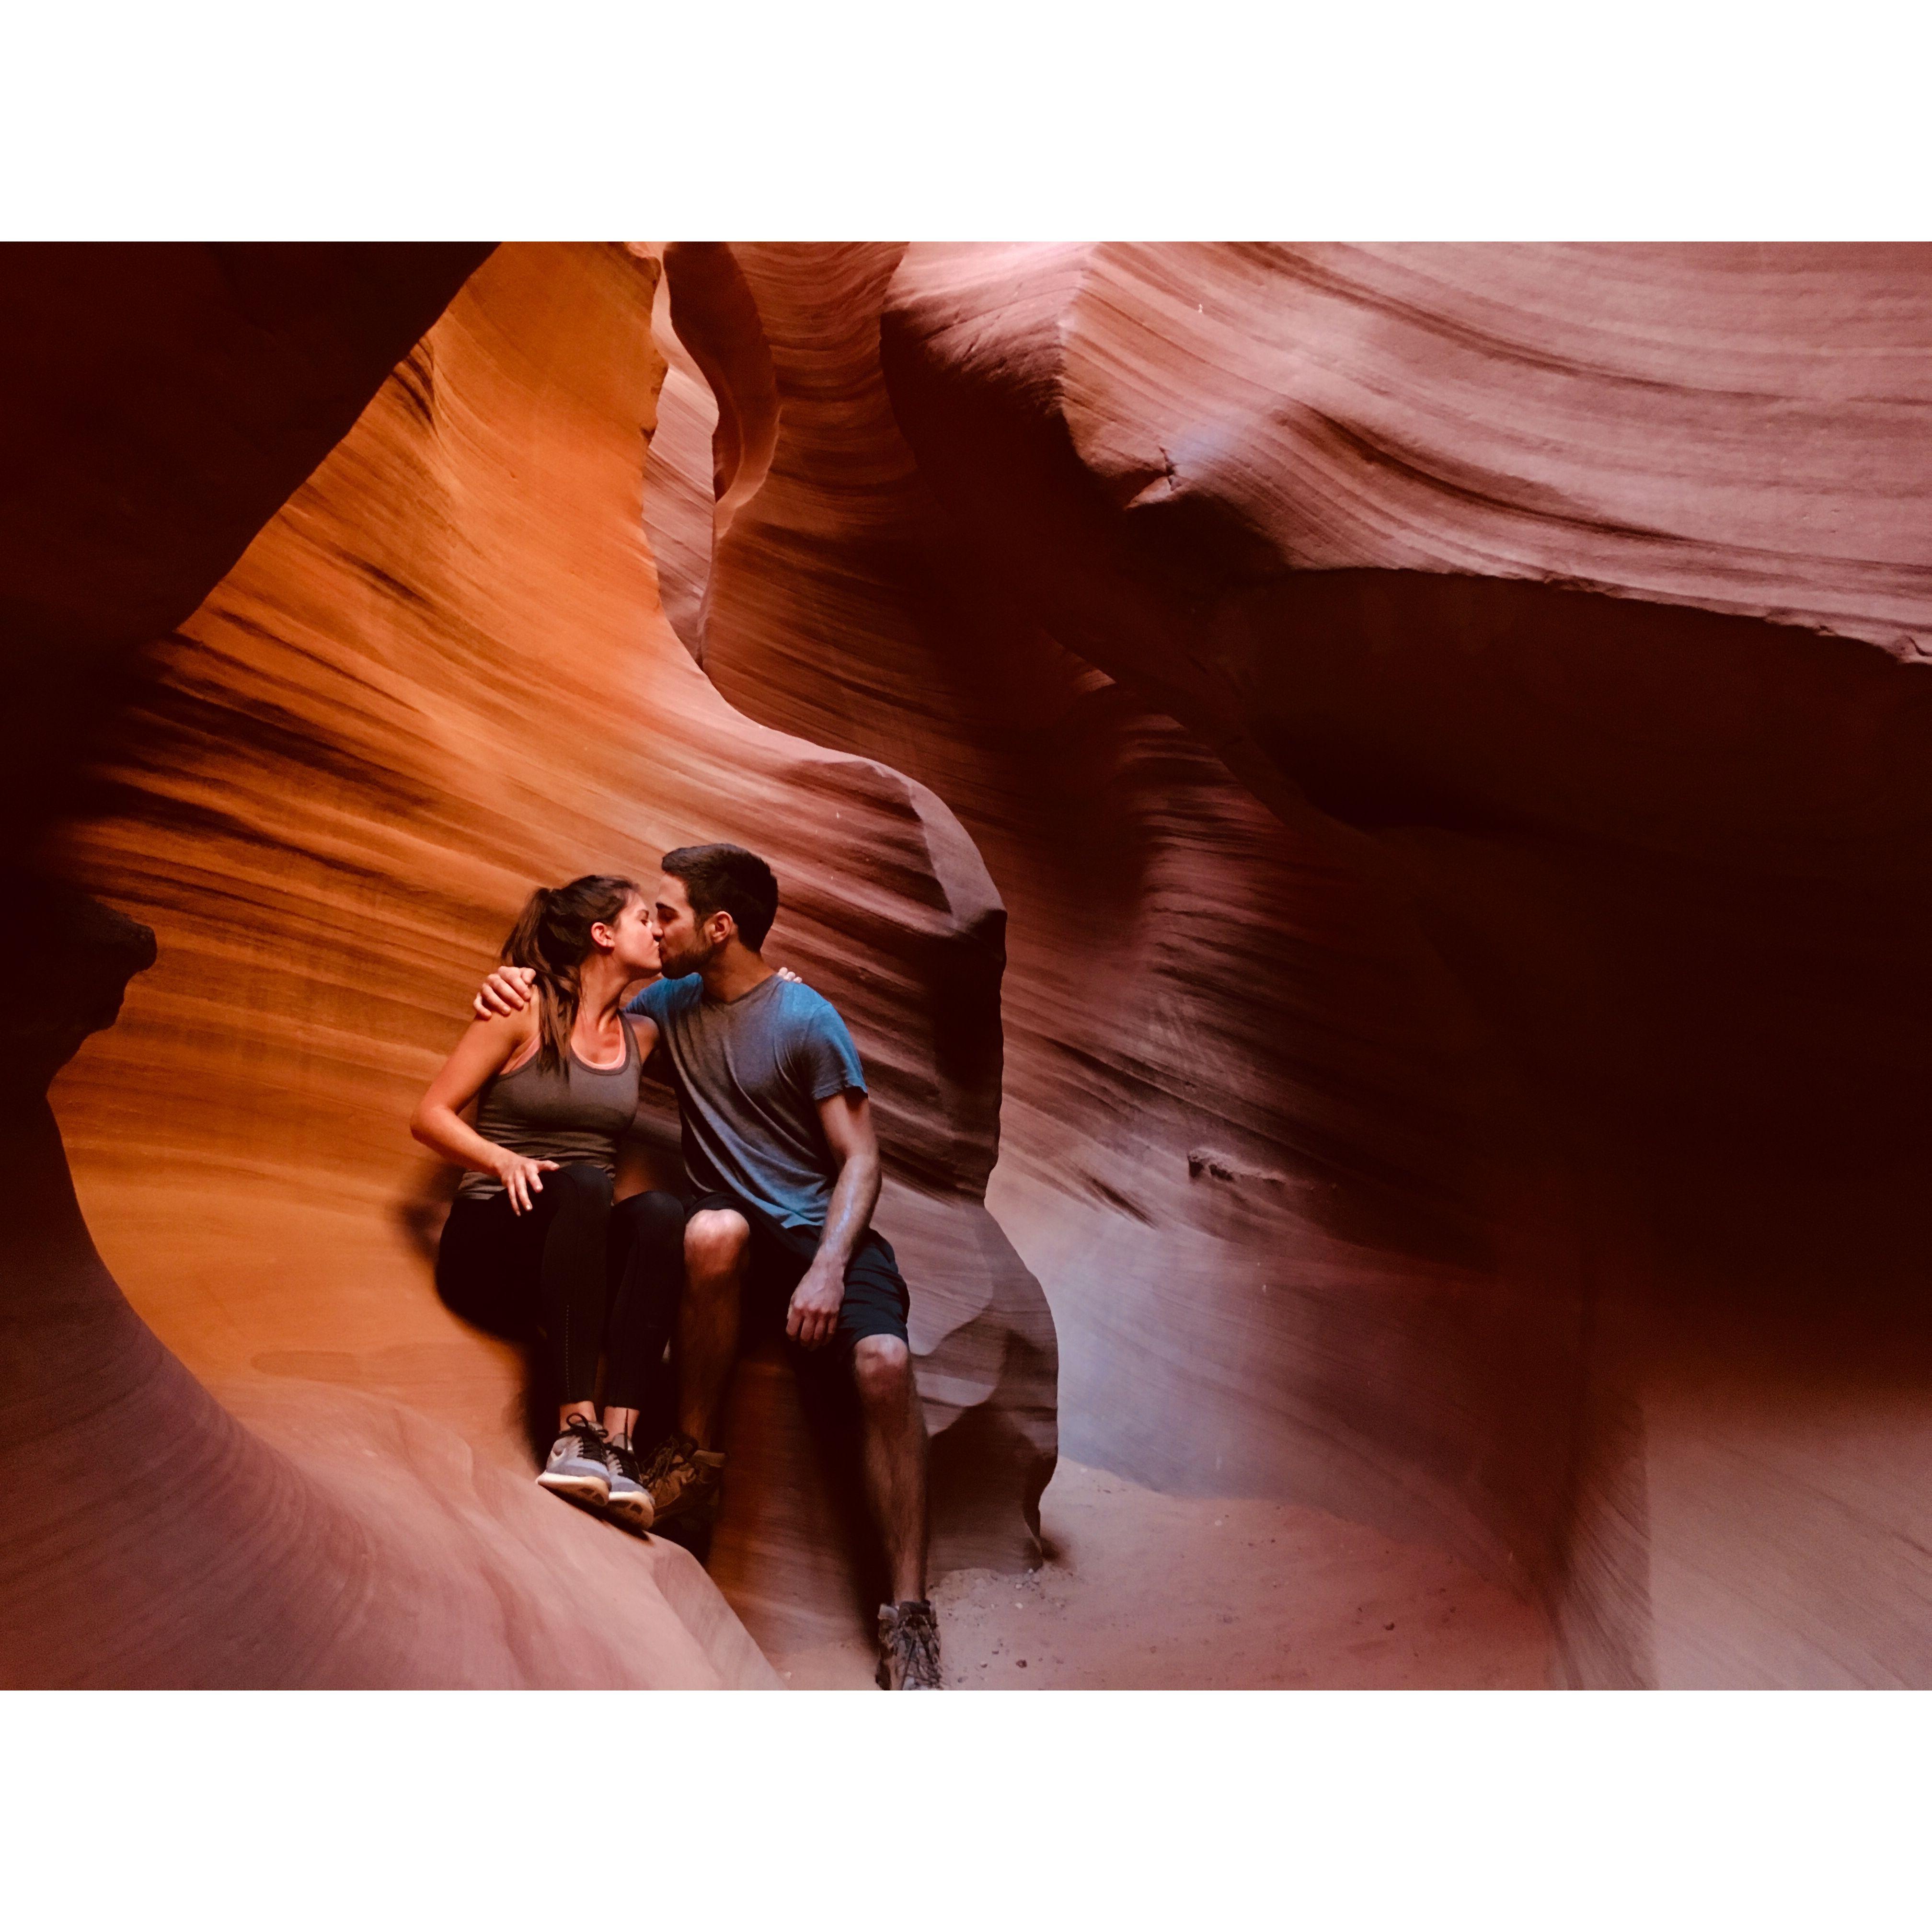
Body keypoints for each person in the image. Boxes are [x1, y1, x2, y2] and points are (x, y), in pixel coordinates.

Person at [475, 844, 943, 1690]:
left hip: (819, 1234)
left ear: (720, 927)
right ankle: (690, 1469)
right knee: (710, 1229)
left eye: (670, 913)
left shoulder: (805, 1019)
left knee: (885, 1363)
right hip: (738, 1237)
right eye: (647, 913)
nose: (654, 924)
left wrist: (831, 1266)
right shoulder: (674, 1001)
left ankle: (909, 1614)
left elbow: (863, 1160)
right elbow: (594, 1019)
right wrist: (506, 986)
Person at [413, 874, 685, 1532]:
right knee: (587, 1184)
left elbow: (723, 997)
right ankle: (574, 1433)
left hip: (570, 1259)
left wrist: (782, 984)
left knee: (662, 1215)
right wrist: (502, 1159)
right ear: (602, 935)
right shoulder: (521, 1008)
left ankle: (619, 1444)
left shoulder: (641, 1036)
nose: (656, 930)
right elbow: (430, 1116)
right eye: (644, 918)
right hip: (490, 1251)